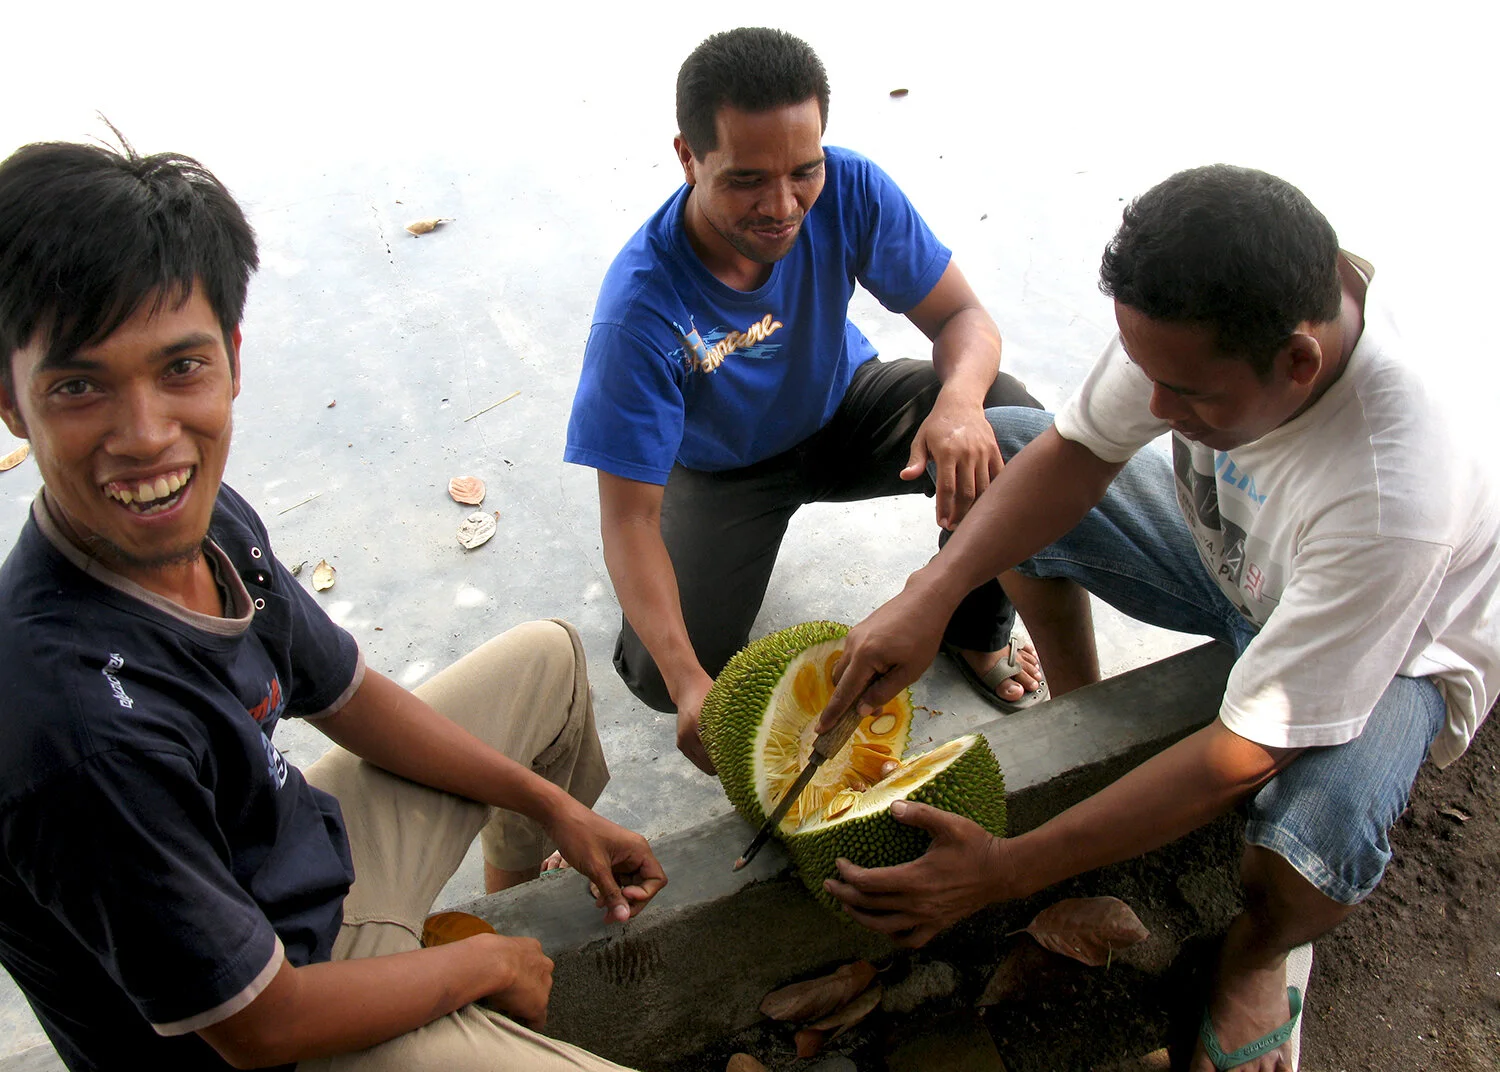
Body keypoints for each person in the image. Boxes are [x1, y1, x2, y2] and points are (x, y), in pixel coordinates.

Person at [0, 138, 665, 1072]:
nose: (147, 437)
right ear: (11, 403)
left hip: (301, 880)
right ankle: (468, 990)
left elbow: (347, 694)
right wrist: (478, 967)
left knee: (548, 664)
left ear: (231, 359)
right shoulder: (74, 732)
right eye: (79, 386)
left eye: (180, 368)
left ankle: (497, 912)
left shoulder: (204, 517)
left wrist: (552, 806)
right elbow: (259, 1027)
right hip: (270, 1033)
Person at [817, 165, 1500, 1071]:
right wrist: (932, 594)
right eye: (1146, 371)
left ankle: (1255, 957)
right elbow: (1079, 449)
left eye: (1188, 396)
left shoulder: (1393, 489)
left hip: (1398, 649)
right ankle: (1080, 715)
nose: (1157, 407)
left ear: (1300, 362)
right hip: (1240, 562)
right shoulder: (1200, 311)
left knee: (1312, 838)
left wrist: (1005, 870)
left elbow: (1243, 754)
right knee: (1010, 452)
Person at [565, 26, 1046, 774]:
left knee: (1010, 428)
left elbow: (964, 319)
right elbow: (629, 517)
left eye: (803, 170)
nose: (784, 205)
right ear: (688, 158)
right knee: (665, 677)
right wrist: (693, 683)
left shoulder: (849, 187)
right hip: (725, 470)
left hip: (846, 406)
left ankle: (977, 626)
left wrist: (956, 401)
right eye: (747, 179)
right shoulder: (639, 312)